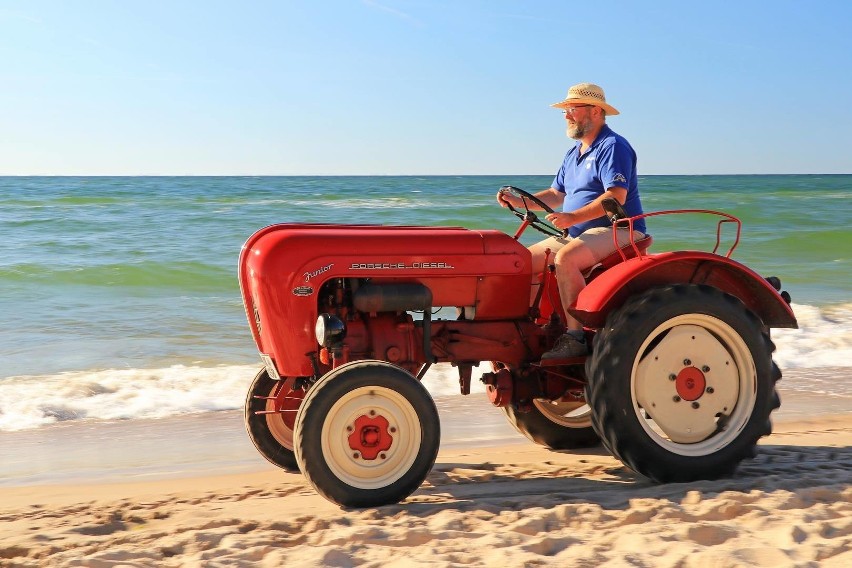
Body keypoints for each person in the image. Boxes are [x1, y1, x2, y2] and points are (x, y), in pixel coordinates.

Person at [497, 82, 646, 359]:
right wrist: (519, 201)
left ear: (595, 111)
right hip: (578, 232)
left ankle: (575, 338)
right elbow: (556, 194)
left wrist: (571, 217)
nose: (566, 115)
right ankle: (532, 331)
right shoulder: (573, 153)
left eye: (572, 109)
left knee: (566, 258)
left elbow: (616, 197)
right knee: (521, 262)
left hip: (620, 230)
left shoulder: (613, 146)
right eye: (566, 110)